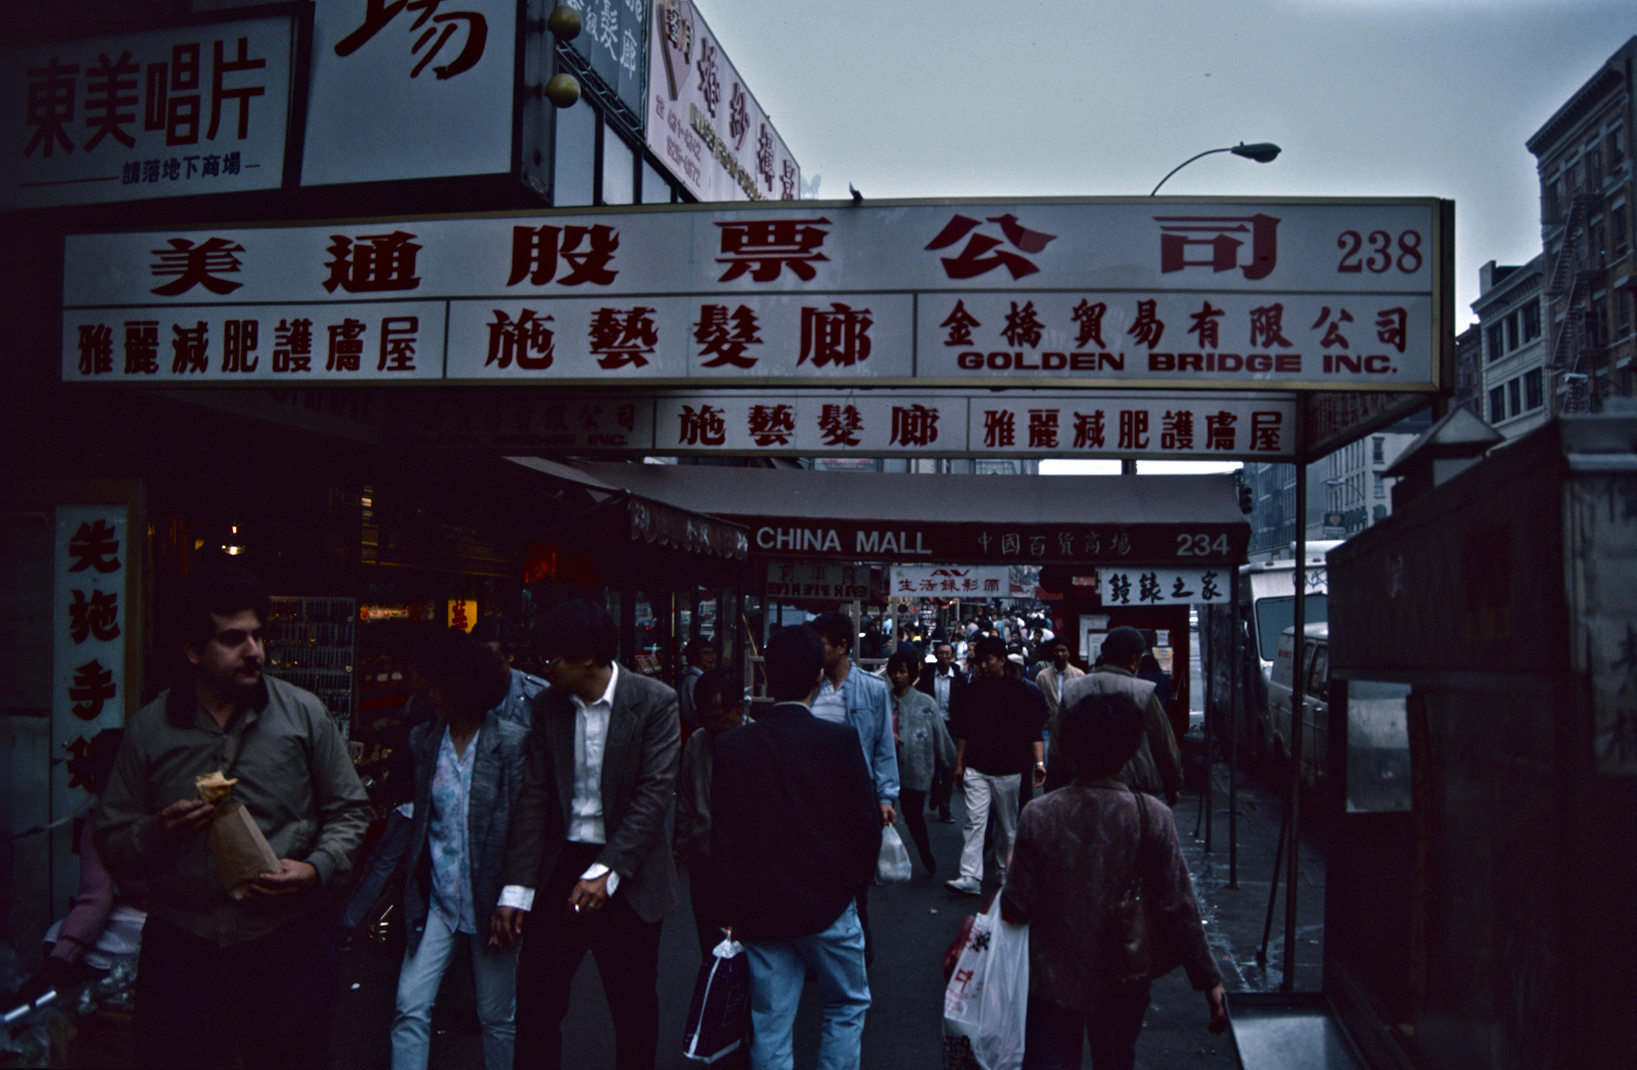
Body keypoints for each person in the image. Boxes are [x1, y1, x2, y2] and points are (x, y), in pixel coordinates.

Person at [94, 563, 370, 1070]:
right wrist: (156, 832)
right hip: (184, 945)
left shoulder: (303, 715)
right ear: (194, 651)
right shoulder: (149, 731)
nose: (255, 652)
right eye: (234, 639)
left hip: (287, 942)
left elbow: (350, 809)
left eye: (259, 636)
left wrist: (317, 868)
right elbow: (111, 839)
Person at [495, 599, 680, 1070]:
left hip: (629, 873)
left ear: (587, 658)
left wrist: (607, 871)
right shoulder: (547, 706)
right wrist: (516, 890)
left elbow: (653, 796)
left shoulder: (654, 701)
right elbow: (534, 798)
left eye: (551, 659)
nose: (544, 669)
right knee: (538, 1002)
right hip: (560, 868)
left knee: (632, 1005)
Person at [1002, 692, 1226, 1070]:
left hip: (1052, 978)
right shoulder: (1151, 816)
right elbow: (1178, 906)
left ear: (1070, 746)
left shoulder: (1039, 815)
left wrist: (1013, 870)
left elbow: (1017, 906)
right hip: (1124, 975)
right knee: (1117, 1060)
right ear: (1129, 751)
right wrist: (1210, 980)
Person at [708, 626, 880, 1070]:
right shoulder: (839, 742)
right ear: (819, 678)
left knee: (769, 1021)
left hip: (761, 906)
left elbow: (723, 839)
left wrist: (729, 909)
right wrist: (851, 883)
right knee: (845, 1007)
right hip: (828, 902)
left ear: (766, 677)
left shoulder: (732, 748)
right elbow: (865, 827)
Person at [391, 633, 529, 1070]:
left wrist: (513, 896)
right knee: (410, 1004)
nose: (430, 693)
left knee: (495, 1015)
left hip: (492, 900)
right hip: (437, 899)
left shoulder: (512, 744)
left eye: (440, 685)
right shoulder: (423, 741)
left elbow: (524, 829)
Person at [808, 612, 901, 960]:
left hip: (857, 799)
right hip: (814, 800)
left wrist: (886, 796)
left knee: (855, 883)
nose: (815, 653)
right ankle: (820, 952)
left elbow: (883, 747)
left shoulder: (873, 690)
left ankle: (859, 951)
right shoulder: (808, 687)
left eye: (821, 645)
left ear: (843, 646)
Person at [945, 636, 1048, 895]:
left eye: (987, 660)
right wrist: (959, 764)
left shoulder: (1022, 692)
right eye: (978, 661)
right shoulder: (970, 691)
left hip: (1010, 769)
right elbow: (964, 731)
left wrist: (1039, 762)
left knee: (1007, 825)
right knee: (974, 822)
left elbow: (1033, 732)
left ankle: (1005, 871)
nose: (982, 666)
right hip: (976, 767)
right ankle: (970, 875)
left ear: (1002, 661)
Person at [1054, 627, 1182, 804]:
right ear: (1133, 661)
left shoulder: (1072, 689)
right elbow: (1163, 745)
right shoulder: (1143, 691)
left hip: (1080, 792)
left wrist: (1054, 788)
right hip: (1138, 794)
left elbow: (1058, 745)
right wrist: (1173, 785)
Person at [674, 667, 745, 957]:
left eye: (718, 717)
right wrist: (683, 845)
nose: (711, 726)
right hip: (704, 859)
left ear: (737, 709)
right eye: (705, 718)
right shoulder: (697, 742)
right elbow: (686, 800)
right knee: (710, 944)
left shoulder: (755, 741)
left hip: (744, 865)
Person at [887, 650, 955, 875]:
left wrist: (953, 766)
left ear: (911, 673)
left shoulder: (926, 703)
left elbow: (942, 739)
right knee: (880, 818)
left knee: (914, 817)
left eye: (902, 672)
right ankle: (877, 866)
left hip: (915, 772)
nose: (897, 676)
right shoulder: (883, 701)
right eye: (894, 672)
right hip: (886, 771)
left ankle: (926, 856)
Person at [916, 640, 966, 822]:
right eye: (941, 653)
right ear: (935, 655)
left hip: (952, 727)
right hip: (930, 726)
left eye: (947, 653)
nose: (944, 657)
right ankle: (934, 792)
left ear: (952, 656)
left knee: (948, 767)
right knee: (932, 764)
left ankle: (945, 806)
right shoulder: (928, 675)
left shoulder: (959, 678)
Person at [471, 615, 548, 731]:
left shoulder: (537, 694)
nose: (483, 665)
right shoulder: (464, 692)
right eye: (478, 657)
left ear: (511, 654)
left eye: (491, 658)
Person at [1034, 640, 1084, 723]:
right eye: (1056, 651)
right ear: (1052, 653)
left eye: (1063, 651)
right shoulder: (1042, 676)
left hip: (1071, 725)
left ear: (1068, 653)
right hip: (1048, 725)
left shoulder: (1078, 675)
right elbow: (1037, 702)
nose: (1060, 654)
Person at [677, 636, 716, 736]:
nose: (711, 657)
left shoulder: (702, 678)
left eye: (712, 653)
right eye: (706, 653)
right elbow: (692, 715)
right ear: (694, 657)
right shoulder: (691, 682)